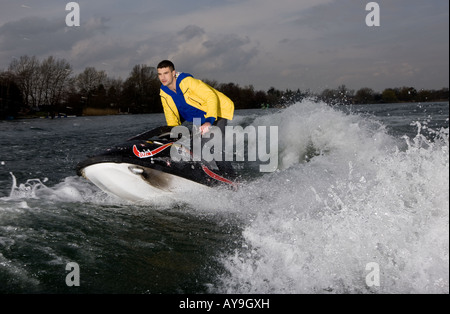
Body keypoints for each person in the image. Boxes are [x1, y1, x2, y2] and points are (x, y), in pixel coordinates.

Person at [157, 60, 235, 175]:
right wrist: (172, 133)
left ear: (173, 73)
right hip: (198, 118)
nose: (162, 77)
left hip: (216, 113)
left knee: (211, 147)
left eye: (166, 73)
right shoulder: (164, 92)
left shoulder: (187, 82)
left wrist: (209, 121)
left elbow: (211, 96)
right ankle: (205, 174)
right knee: (195, 150)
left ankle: (232, 179)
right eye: (159, 74)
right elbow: (170, 115)